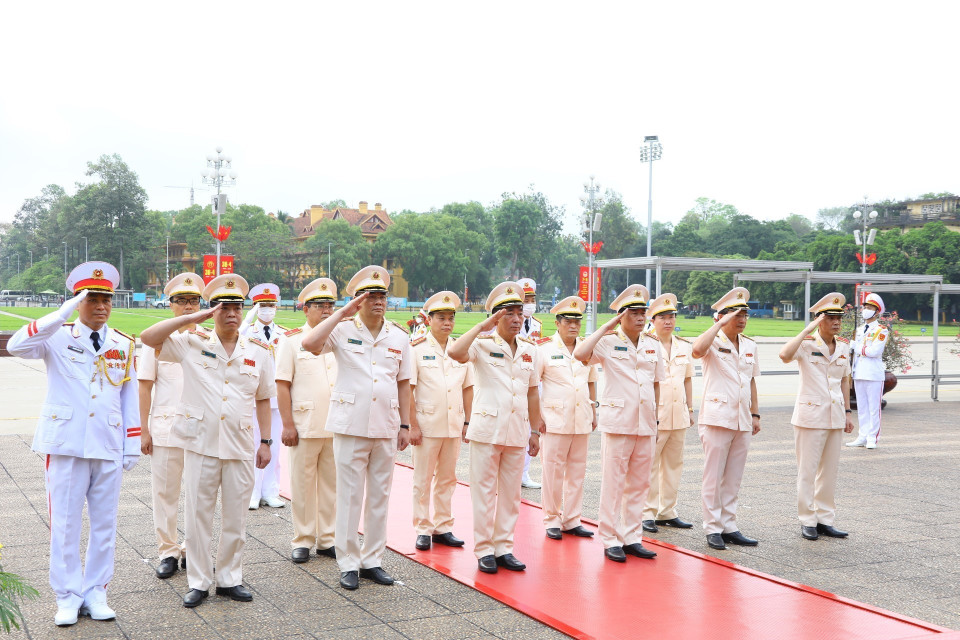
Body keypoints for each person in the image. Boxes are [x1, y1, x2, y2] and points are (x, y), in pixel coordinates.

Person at [8, 261, 139, 626]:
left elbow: (129, 396)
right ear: (78, 302)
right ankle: (67, 595)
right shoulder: (57, 335)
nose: (101, 306)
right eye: (92, 299)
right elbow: (18, 346)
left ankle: (96, 591)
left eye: (106, 300)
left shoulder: (123, 344)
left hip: (108, 444)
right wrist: (59, 314)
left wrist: (131, 443)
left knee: (104, 525)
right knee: (64, 524)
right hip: (66, 445)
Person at [140, 274, 275, 608]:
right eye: (223, 306)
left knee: (236, 519)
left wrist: (266, 441)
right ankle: (198, 581)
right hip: (200, 443)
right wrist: (191, 317)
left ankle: (230, 578)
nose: (231, 313)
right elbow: (148, 337)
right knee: (197, 518)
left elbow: (263, 399)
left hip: (240, 444)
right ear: (212, 311)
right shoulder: (191, 343)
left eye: (236, 307)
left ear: (244, 311)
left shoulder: (257, 351)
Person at [300, 265, 412, 590]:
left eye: (382, 296)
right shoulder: (342, 329)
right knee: (349, 496)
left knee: (380, 496)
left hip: (387, 425)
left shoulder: (399, 337)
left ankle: (372, 559)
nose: (378, 301)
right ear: (357, 301)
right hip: (350, 425)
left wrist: (406, 424)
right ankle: (348, 562)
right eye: (370, 296)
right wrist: (341, 314)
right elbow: (309, 343)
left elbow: (404, 383)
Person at [448, 282, 542, 574]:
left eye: (519, 313)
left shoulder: (530, 349)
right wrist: (482, 326)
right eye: (509, 313)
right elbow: (454, 352)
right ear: (496, 317)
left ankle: (504, 548)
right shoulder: (482, 344)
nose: (517, 319)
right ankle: (485, 549)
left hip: (517, 430)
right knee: (484, 492)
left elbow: (533, 392)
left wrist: (536, 431)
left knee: (512, 495)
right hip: (487, 430)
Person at [574, 285, 662, 563]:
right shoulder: (608, 341)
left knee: (639, 484)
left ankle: (633, 537)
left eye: (642, 313)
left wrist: (656, 417)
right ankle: (611, 538)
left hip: (645, 423)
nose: (639, 318)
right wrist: (605, 327)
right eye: (633, 313)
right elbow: (580, 354)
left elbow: (655, 383)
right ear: (622, 316)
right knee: (614, 484)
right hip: (618, 422)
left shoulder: (652, 344)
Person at [139, 272, 203, 580]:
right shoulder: (157, 340)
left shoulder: (210, 338)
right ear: (171, 305)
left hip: (200, 431)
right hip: (165, 428)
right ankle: (167, 550)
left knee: (198, 494)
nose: (188, 307)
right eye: (182, 301)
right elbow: (144, 386)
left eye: (193, 301)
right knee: (165, 494)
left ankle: (193, 550)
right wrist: (143, 429)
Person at [690, 287, 761, 551]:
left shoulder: (750, 345)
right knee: (713, 475)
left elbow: (751, 381)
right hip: (717, 418)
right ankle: (712, 528)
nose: (742, 319)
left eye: (745, 315)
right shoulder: (713, 341)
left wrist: (755, 413)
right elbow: (697, 350)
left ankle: (729, 525)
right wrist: (719, 323)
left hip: (742, 418)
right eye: (736, 315)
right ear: (721, 317)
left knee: (733, 476)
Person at [779, 293, 854, 541]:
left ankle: (825, 519)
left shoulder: (843, 346)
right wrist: (807, 329)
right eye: (830, 318)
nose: (836, 323)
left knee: (829, 472)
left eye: (838, 319)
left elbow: (845, 379)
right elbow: (784, 355)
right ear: (819, 320)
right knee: (808, 471)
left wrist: (848, 412)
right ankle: (807, 519)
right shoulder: (806, 344)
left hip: (834, 416)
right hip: (810, 416)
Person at [275, 278, 339, 563]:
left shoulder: (342, 339)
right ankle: (302, 538)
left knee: (331, 485)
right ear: (306, 309)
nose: (326, 310)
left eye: (330, 305)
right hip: (304, 424)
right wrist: (287, 424)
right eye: (320, 306)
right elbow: (282, 384)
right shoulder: (291, 341)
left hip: (338, 424)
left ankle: (327, 538)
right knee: (302, 485)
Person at [409, 291, 474, 551]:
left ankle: (443, 526)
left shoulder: (460, 350)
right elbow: (409, 389)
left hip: (453, 423)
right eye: (441, 318)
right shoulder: (417, 349)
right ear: (429, 319)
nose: (446, 323)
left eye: (450, 318)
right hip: (426, 424)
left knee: (447, 478)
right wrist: (412, 424)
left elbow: (468, 388)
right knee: (423, 479)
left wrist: (468, 421)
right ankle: (423, 528)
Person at [536, 296, 597, 541]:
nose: (573, 326)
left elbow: (592, 380)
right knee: (552, 471)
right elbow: (533, 385)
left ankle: (572, 519)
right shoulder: (545, 348)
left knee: (577, 472)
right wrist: (536, 417)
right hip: (554, 419)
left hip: (581, 416)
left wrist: (595, 409)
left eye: (577, 322)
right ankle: (552, 518)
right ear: (558, 323)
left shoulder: (585, 348)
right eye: (568, 321)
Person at [642, 293, 696, 533]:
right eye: (662, 317)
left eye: (672, 316)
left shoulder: (683, 345)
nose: (668, 321)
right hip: (656, 415)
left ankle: (667, 511)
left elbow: (687, 380)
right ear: (652, 320)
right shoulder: (644, 344)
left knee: (674, 465)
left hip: (678, 414)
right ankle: (647, 512)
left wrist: (690, 408)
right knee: (650, 465)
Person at [242, 283, 287, 509]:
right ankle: (252, 492)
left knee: (274, 448)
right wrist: (247, 320)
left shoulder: (284, 334)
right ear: (255, 307)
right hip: (253, 397)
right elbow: (232, 339)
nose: (268, 309)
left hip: (277, 399)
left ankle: (271, 491)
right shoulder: (247, 331)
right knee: (253, 446)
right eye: (263, 305)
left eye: (271, 305)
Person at [848, 293, 888, 450]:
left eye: (870, 308)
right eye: (865, 307)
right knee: (862, 407)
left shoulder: (881, 330)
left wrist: (856, 347)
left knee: (873, 408)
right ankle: (862, 435)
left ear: (877, 312)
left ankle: (873, 437)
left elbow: (874, 351)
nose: (865, 310)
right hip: (859, 372)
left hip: (873, 374)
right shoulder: (858, 330)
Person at [516, 277, 542, 489]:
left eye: (532, 298)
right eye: (526, 299)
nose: (530, 303)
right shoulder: (506, 321)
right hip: (515, 380)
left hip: (533, 379)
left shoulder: (537, 325)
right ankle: (512, 472)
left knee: (531, 429)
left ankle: (524, 473)